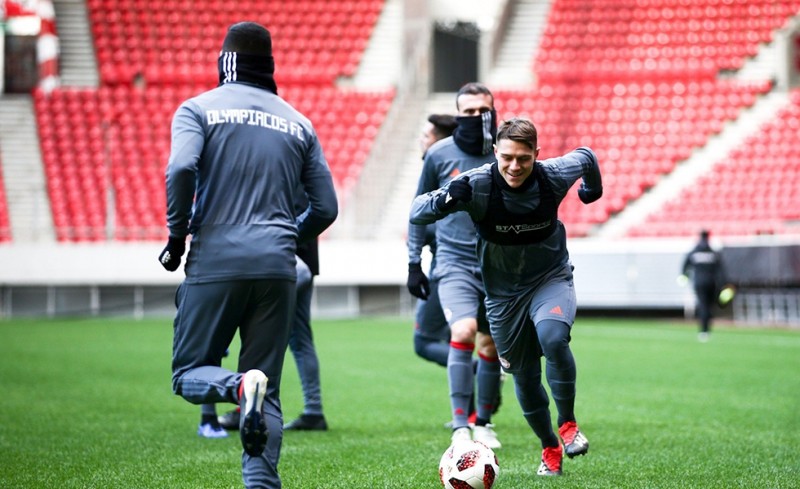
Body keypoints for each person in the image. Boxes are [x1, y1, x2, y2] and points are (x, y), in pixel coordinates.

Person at [159, 21, 337, 489]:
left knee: (188, 373)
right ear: (269, 66)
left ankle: (238, 387)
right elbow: (326, 208)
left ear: (225, 61)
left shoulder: (197, 109)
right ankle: (261, 482)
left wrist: (177, 236)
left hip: (216, 259)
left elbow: (180, 167)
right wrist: (289, 237)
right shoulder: (299, 122)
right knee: (269, 388)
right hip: (278, 267)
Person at [410, 117, 603, 476]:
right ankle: (549, 447)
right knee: (525, 376)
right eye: (508, 158)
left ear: (536, 154)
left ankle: (568, 425)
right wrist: (447, 198)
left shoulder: (553, 175)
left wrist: (591, 191)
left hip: (550, 279)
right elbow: (417, 211)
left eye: (524, 159)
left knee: (553, 336)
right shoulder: (477, 184)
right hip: (501, 297)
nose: (515, 166)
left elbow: (586, 157)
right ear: (496, 152)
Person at [407, 83, 503, 450]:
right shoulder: (439, 154)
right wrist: (414, 262)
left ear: (494, 110)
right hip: (453, 262)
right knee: (463, 331)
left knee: (490, 344)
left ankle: (484, 422)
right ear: (458, 115)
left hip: (497, 264)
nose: (477, 117)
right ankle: (460, 426)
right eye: (469, 112)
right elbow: (418, 209)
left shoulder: (506, 153)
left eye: (484, 110)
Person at [412, 113, 457, 369]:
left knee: (424, 341)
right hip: (451, 264)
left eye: (426, 136)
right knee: (457, 338)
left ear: (439, 143)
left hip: (447, 267)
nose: (421, 140)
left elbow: (432, 225)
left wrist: (415, 253)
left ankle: (484, 370)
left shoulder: (442, 178)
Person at [678, 229, 734, 342]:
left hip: (699, 283)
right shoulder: (713, 252)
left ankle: (703, 330)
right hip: (711, 283)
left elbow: (685, 266)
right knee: (709, 306)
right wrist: (724, 284)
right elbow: (720, 270)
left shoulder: (694, 251)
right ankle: (707, 329)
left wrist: (684, 276)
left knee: (703, 306)